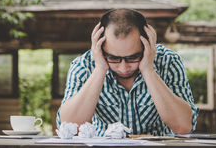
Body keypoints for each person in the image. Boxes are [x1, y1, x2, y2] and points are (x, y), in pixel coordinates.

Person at [56, 8, 199, 136]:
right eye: (113, 58)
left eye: (133, 57)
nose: (123, 68)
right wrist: (100, 69)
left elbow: (184, 126)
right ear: (99, 47)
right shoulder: (83, 65)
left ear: (147, 44)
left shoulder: (169, 61)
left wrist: (148, 70)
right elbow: (69, 127)